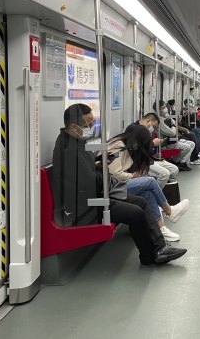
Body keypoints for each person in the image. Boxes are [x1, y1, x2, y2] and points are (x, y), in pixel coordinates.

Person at [52, 103, 186, 264]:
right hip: (86, 206)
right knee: (136, 213)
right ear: (74, 127)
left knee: (141, 202)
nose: (92, 127)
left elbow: (89, 174)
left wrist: (98, 166)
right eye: (88, 124)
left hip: (96, 195)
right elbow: (91, 182)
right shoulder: (69, 150)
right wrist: (102, 170)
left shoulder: (77, 141)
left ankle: (159, 248)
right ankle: (150, 255)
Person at [108, 124, 190, 242]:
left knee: (147, 192)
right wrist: (132, 176)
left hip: (118, 183)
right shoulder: (118, 146)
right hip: (113, 187)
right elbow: (115, 174)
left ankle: (161, 228)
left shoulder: (126, 146)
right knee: (150, 182)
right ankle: (169, 211)